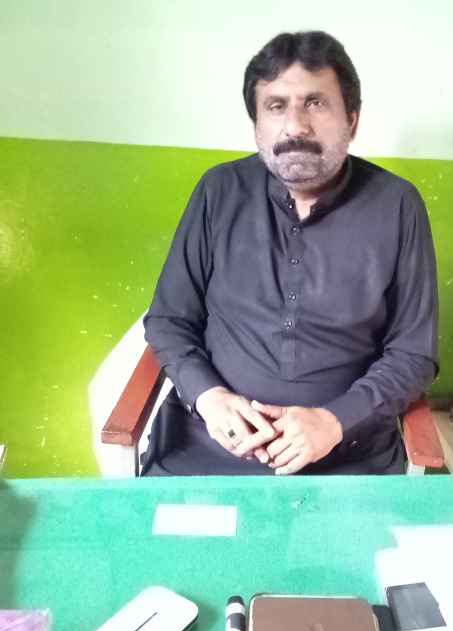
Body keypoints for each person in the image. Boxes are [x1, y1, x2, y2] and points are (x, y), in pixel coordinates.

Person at [142, 30, 438, 477]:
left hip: (348, 455)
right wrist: (209, 397)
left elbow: (414, 353)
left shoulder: (398, 205)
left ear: (352, 121)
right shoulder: (219, 192)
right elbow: (169, 320)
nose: (295, 126)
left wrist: (334, 421)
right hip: (208, 448)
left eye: (315, 103)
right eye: (276, 106)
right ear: (257, 126)